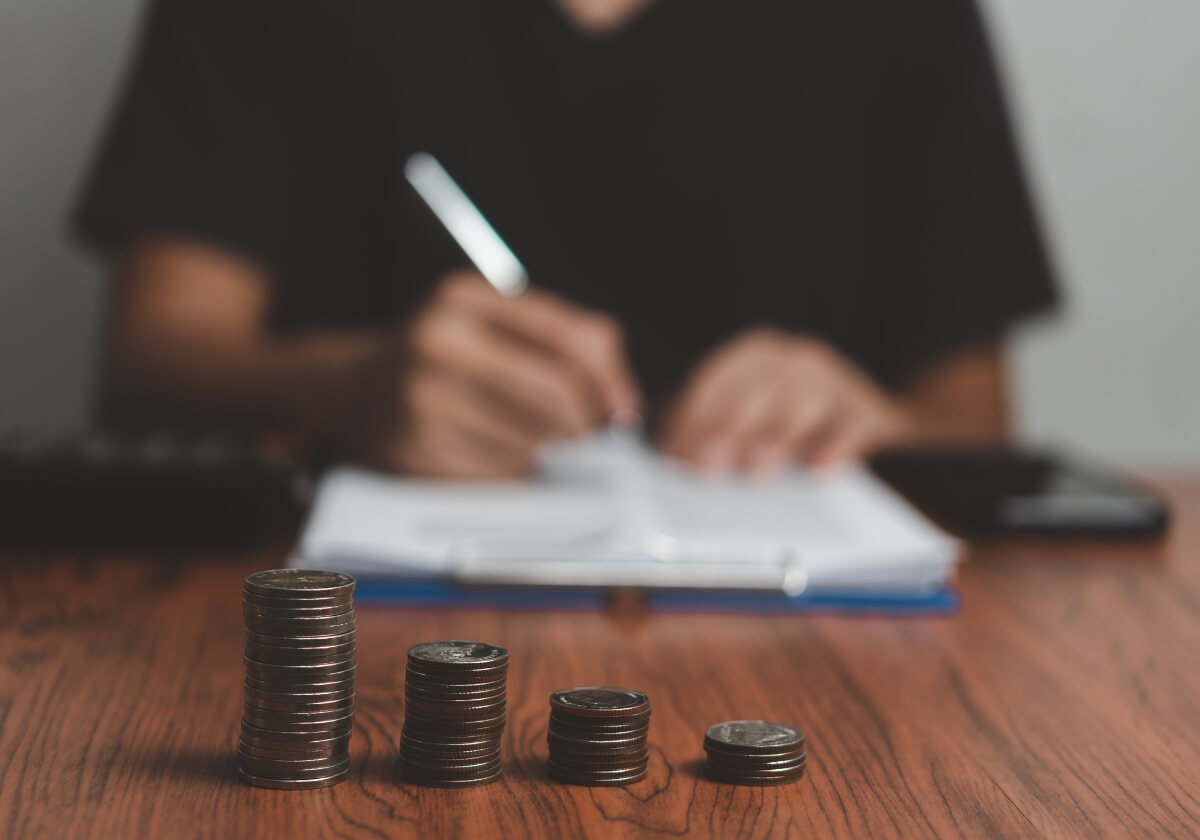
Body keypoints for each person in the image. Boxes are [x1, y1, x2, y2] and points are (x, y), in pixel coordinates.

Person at [75, 0, 1057, 479]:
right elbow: (144, 373)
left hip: (834, 672)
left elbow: (975, 428)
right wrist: (341, 386)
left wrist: (870, 423)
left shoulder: (901, 16)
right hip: (343, 645)